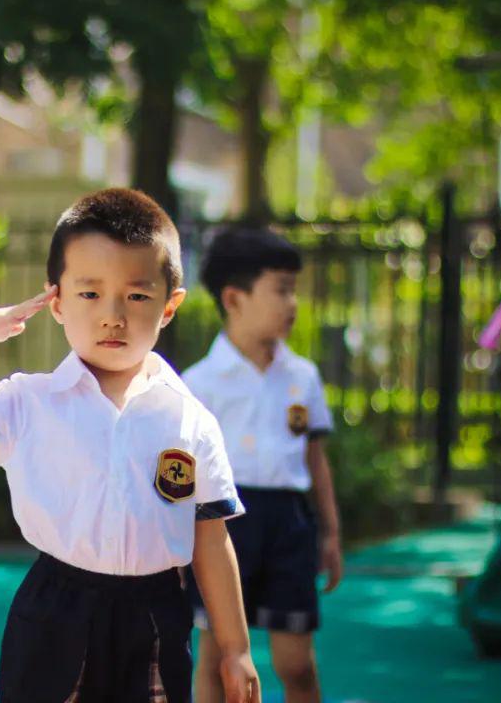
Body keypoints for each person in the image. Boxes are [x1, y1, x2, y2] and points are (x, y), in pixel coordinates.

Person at [0, 188, 262, 703]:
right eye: (90, 294)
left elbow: (210, 540)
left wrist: (235, 648)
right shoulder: (30, 401)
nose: (113, 315)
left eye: (138, 296)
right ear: (56, 302)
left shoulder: (190, 419)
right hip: (56, 607)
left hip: (157, 613)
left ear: (170, 307)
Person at [182, 227, 342, 703]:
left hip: (290, 526)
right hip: (223, 526)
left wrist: (330, 533)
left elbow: (315, 456)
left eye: (295, 289)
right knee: (217, 661)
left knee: (297, 666)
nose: (293, 303)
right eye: (281, 290)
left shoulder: (302, 376)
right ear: (234, 298)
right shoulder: (199, 383)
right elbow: (183, 472)